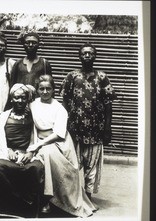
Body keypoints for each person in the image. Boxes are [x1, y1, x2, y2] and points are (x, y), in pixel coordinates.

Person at [28, 74, 96, 217]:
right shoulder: (32, 104)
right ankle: (39, 198)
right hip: (38, 140)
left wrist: (39, 145)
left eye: (48, 89)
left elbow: (58, 134)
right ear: (37, 90)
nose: (45, 92)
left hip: (58, 143)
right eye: (41, 89)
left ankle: (49, 199)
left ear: (53, 90)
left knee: (46, 154)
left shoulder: (59, 108)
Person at [60, 42, 116, 200]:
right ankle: (74, 196)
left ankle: (88, 197)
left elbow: (108, 105)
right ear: (79, 56)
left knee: (91, 167)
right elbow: (65, 102)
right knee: (73, 164)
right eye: (84, 53)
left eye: (90, 53)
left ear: (95, 56)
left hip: (95, 131)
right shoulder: (72, 76)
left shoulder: (102, 77)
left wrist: (107, 128)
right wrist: (63, 126)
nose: (87, 55)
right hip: (74, 129)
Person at [0, 83, 44, 217]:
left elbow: (34, 137)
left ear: (27, 99)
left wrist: (30, 152)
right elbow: (0, 139)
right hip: (7, 152)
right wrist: (7, 150)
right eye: (17, 97)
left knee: (37, 167)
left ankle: (29, 205)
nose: (20, 101)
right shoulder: (3, 117)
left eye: (23, 98)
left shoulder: (32, 116)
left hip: (26, 153)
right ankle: (15, 198)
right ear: (11, 99)